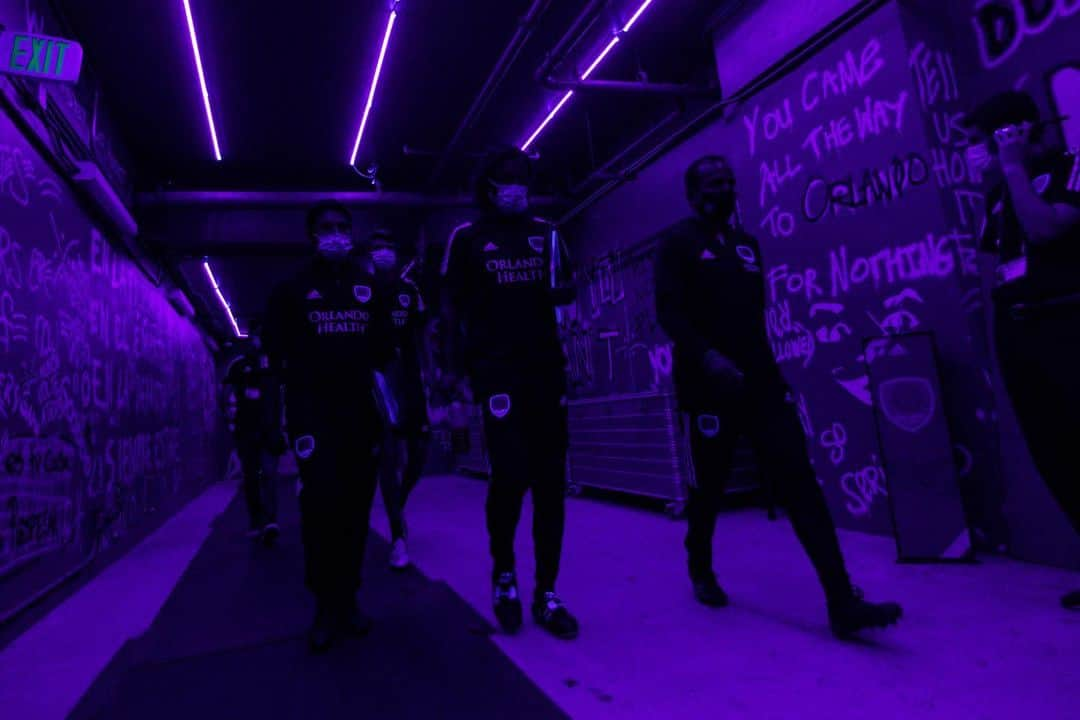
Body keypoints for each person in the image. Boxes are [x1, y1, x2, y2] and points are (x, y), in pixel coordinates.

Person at [652, 155, 903, 638]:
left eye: (729, 181)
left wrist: (763, 370)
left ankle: (840, 601)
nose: (723, 189)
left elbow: (752, 317)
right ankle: (700, 566)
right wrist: (708, 358)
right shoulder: (676, 243)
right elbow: (670, 313)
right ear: (692, 193)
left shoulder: (749, 247)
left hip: (762, 383)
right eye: (712, 183)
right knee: (709, 486)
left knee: (800, 481)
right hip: (707, 385)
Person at [441, 147, 579, 639]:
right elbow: (451, 312)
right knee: (510, 475)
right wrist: (454, 374)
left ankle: (547, 591)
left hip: (545, 372)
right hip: (496, 374)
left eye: (523, 179)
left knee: (549, 482)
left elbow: (566, 295)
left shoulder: (547, 234)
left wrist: (566, 277)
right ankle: (504, 576)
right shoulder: (468, 239)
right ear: (490, 187)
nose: (516, 188)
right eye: (506, 180)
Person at [963, 91, 1080, 611]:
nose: (978, 152)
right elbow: (995, 261)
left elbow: (1045, 227)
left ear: (1011, 133)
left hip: (1066, 319)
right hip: (1017, 330)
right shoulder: (995, 196)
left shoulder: (1071, 167)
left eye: (983, 141)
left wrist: (1011, 168)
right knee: (1053, 450)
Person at [262, 200, 394, 652]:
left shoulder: (367, 288)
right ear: (312, 235)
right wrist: (275, 420)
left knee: (357, 510)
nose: (336, 234)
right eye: (327, 227)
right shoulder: (292, 290)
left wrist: (389, 412)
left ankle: (350, 599)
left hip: (360, 416)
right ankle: (324, 606)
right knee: (321, 510)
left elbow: (382, 353)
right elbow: (275, 359)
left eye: (343, 226)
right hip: (312, 417)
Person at [369, 228, 431, 570]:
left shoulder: (410, 291)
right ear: (369, 254)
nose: (383, 252)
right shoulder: (361, 290)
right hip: (378, 379)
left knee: (421, 452)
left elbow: (421, 336)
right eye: (376, 247)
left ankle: (398, 504)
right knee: (389, 456)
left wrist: (432, 374)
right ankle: (397, 536)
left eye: (388, 246)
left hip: (410, 381)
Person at [223, 331, 285, 545]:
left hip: (267, 430)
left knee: (268, 473)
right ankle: (258, 521)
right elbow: (229, 396)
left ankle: (269, 521)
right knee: (251, 478)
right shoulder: (239, 366)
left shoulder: (274, 366)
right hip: (247, 431)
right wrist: (232, 425)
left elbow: (281, 398)